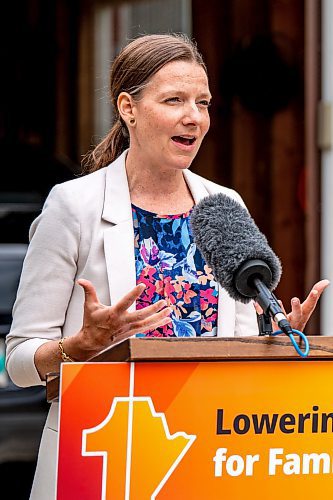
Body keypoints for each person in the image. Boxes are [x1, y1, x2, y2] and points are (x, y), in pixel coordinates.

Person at [5, 33, 328, 499]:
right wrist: (78, 345)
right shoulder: (72, 206)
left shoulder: (223, 205)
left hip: (206, 459)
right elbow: (18, 362)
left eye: (203, 102)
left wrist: (273, 343)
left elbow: (232, 352)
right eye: (174, 100)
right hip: (103, 458)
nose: (193, 117)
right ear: (128, 108)